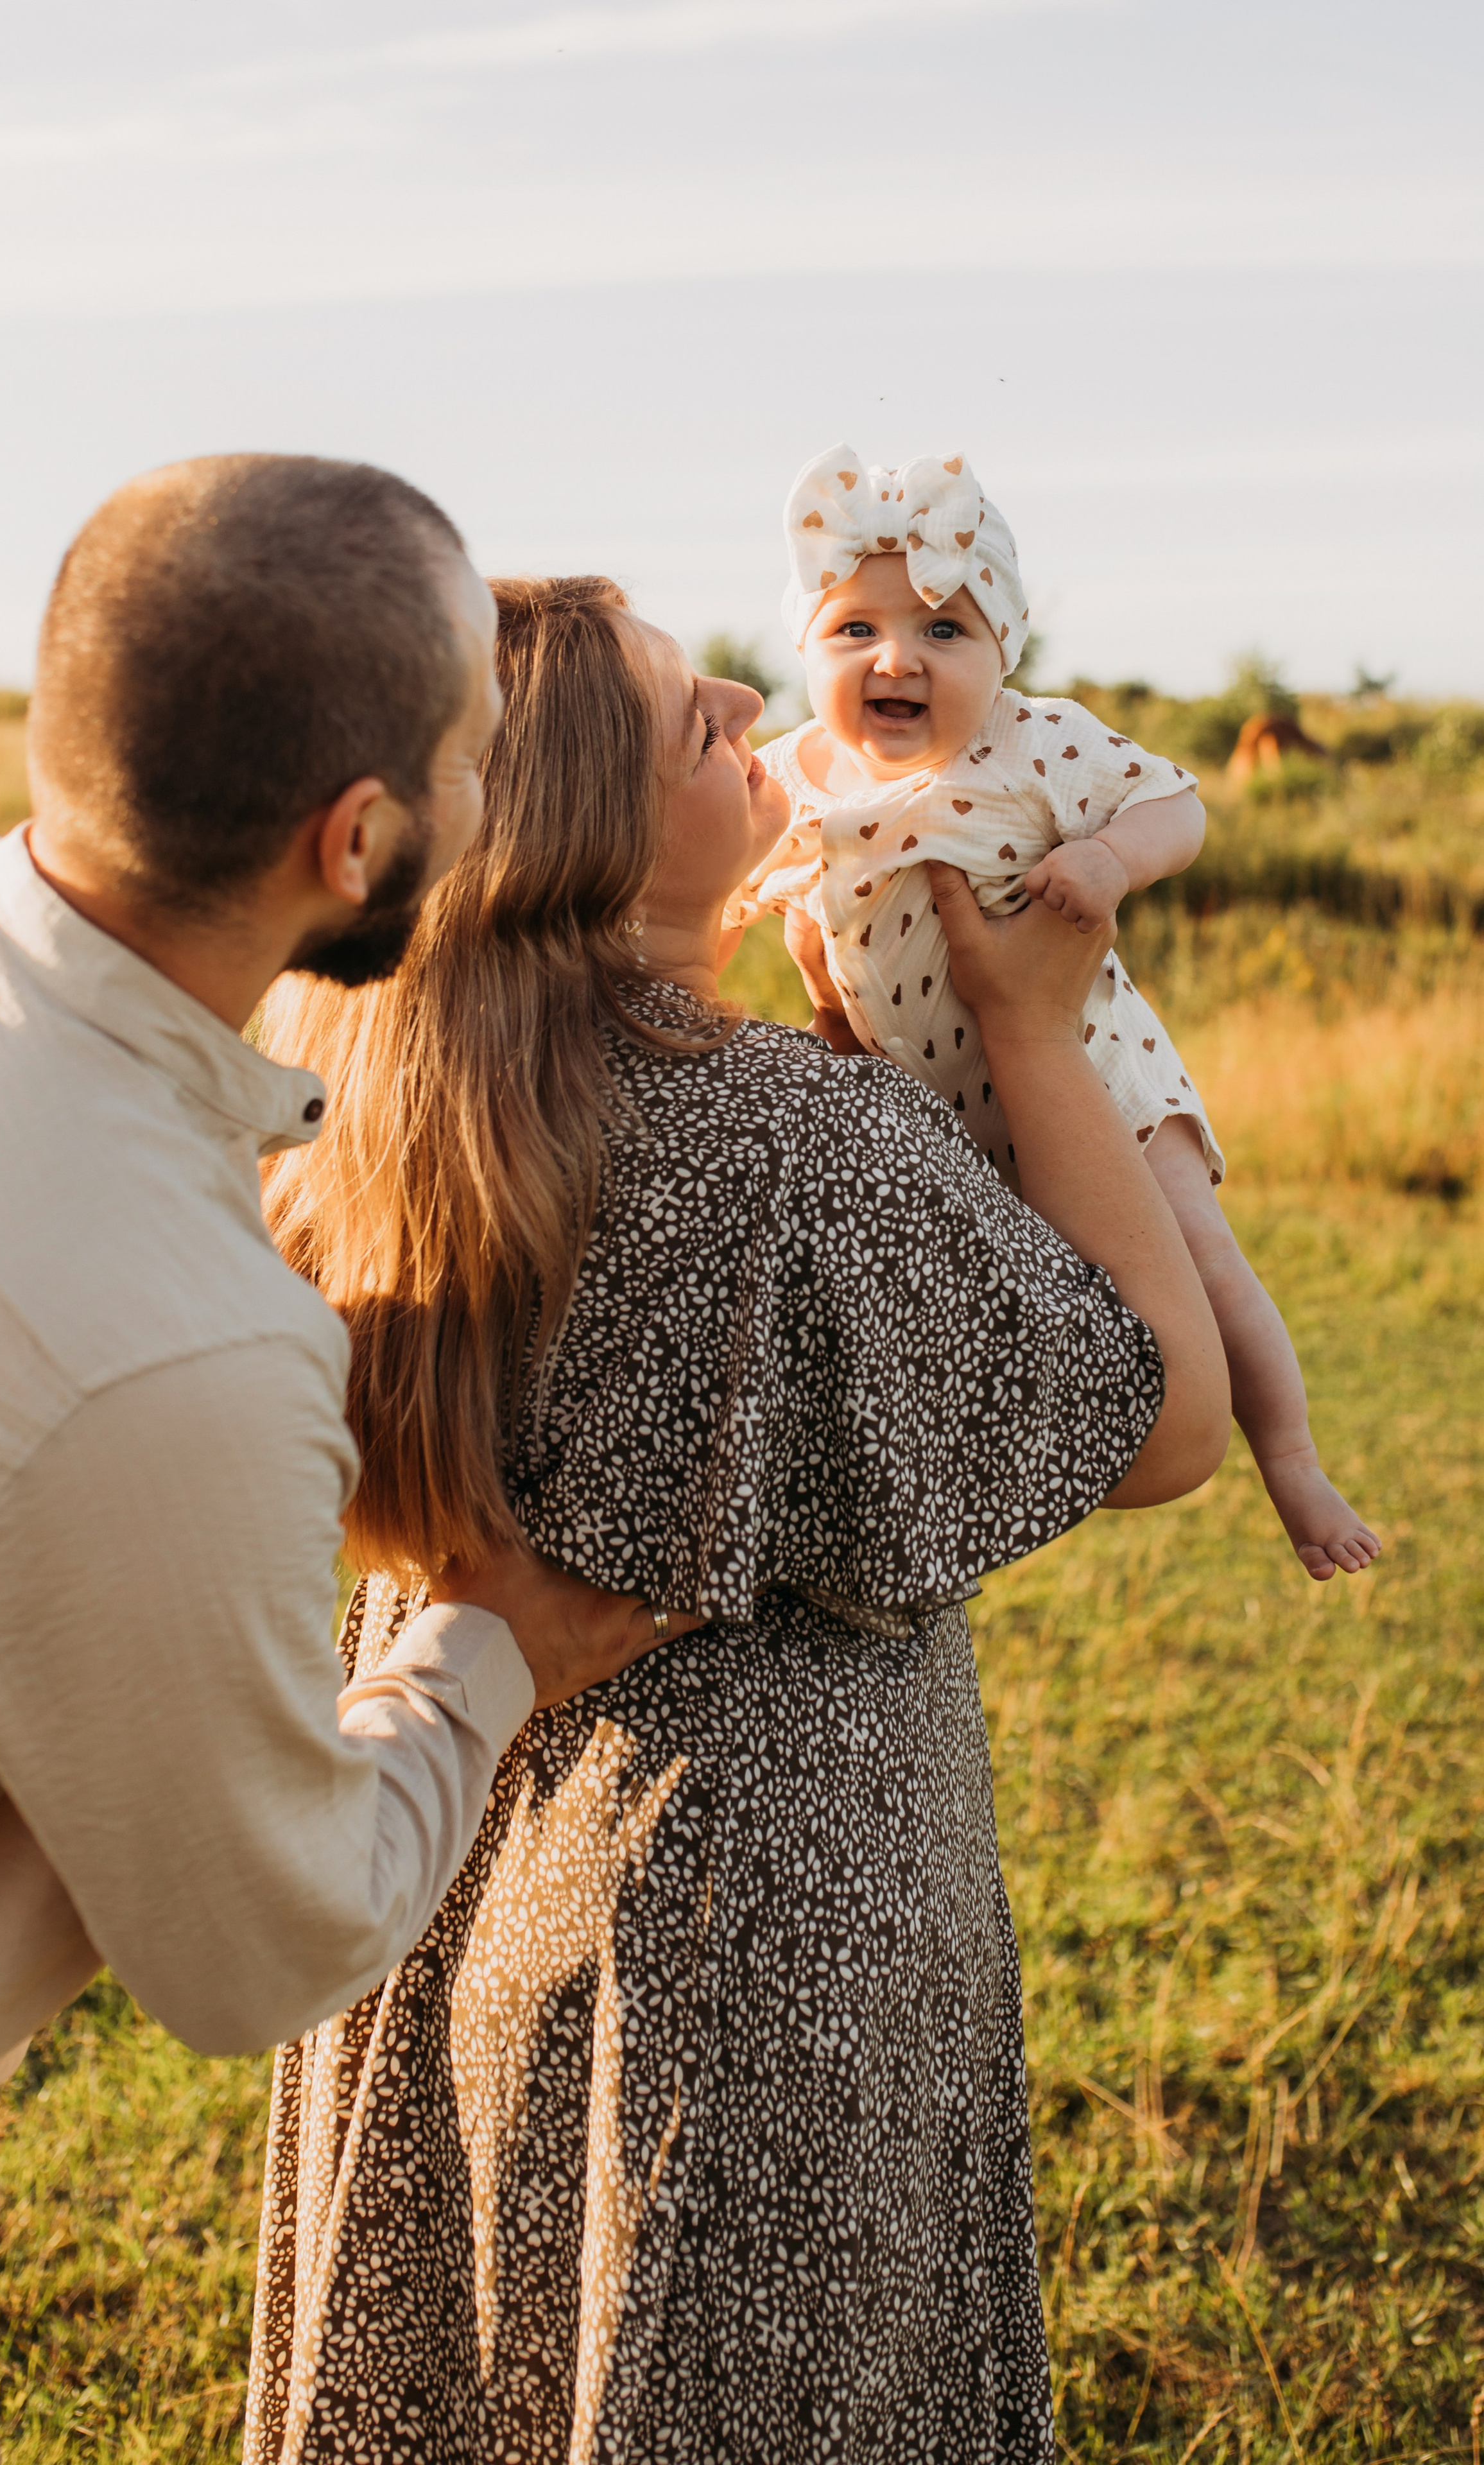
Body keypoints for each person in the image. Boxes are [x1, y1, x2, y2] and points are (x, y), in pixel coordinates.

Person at [242, 573, 1230, 2465]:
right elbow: (1165, 1418)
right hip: (758, 1934)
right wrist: (1037, 1020)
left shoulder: (383, 1098)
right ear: (594, 823)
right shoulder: (781, 1138)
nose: (753, 714)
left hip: (447, 1861)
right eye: (699, 717)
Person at [0, 462, 682, 2465]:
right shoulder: (181, 1361)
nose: (499, 801)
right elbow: (256, 1943)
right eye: (479, 762)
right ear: (364, 838)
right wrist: (490, 1652)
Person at [724, 440, 1381, 1585]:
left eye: (944, 631)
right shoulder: (795, 779)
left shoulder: (1034, 742)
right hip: (939, 1120)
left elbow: (1176, 805)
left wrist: (1115, 862)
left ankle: (1290, 1456)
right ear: (806, 648)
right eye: (856, 632)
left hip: (1096, 1073)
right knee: (1014, 1312)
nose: (899, 658)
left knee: (1202, 1265)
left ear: (1003, 650)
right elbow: (721, 885)